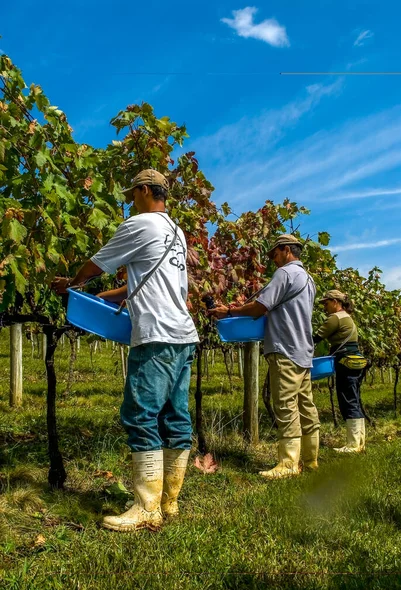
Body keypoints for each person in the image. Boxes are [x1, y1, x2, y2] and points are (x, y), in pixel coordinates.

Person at [53, 169, 199, 531]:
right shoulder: (175, 232)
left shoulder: (140, 224)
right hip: (183, 333)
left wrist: (71, 284)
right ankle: (170, 502)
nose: (129, 201)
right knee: (175, 417)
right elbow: (160, 284)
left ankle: (147, 508)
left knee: (140, 414)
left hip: (156, 335)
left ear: (145, 190)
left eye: (132, 194)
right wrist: (105, 297)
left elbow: (98, 264)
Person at [209, 234, 320, 478]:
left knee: (286, 405)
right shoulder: (308, 279)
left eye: (274, 254)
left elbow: (261, 307)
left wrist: (229, 311)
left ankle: (288, 465)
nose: (272, 259)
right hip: (303, 348)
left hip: (286, 348)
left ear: (287, 250)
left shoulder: (286, 274)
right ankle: (310, 461)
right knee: (306, 406)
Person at [314, 290, 365, 453]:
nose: (324, 307)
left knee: (347, 400)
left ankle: (353, 445)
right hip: (354, 360)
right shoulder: (347, 317)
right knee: (354, 398)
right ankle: (359, 442)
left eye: (326, 303)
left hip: (344, 361)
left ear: (335, 302)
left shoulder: (335, 318)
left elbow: (315, 338)